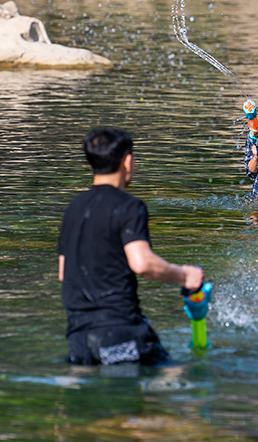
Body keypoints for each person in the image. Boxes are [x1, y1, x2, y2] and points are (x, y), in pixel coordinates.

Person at [57, 127, 204, 365]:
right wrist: (184, 275)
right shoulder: (129, 206)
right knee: (179, 378)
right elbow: (142, 263)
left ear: (91, 165)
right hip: (121, 331)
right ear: (127, 161)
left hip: (78, 336)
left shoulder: (73, 208)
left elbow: (64, 273)